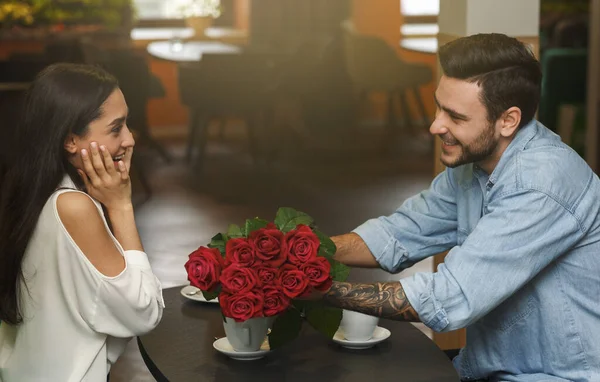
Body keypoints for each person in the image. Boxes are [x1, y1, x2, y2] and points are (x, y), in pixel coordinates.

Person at [319, 33, 600, 381]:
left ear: (508, 120)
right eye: (439, 107)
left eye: (456, 117)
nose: (436, 125)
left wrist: (318, 288)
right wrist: (305, 252)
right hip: (488, 368)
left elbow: (449, 298)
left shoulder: (541, 183)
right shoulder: (475, 165)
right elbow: (400, 234)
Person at [0, 63, 165, 381]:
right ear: (70, 140)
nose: (130, 139)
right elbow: (144, 311)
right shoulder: (73, 206)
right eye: (116, 128)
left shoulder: (30, 189)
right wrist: (121, 207)